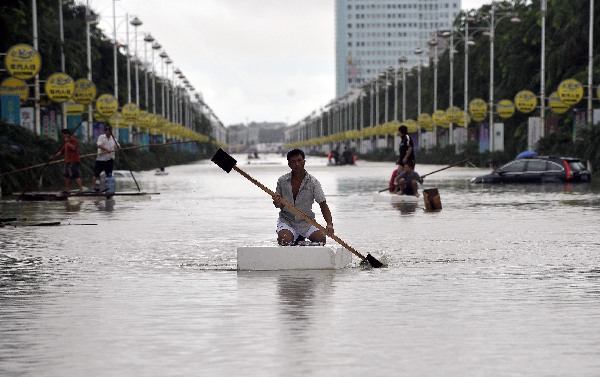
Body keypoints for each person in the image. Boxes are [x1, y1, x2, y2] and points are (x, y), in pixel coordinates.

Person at [272, 149, 334, 246]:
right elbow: (278, 205)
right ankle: (295, 239)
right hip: (287, 221)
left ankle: (300, 241)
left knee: (321, 240)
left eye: (299, 161)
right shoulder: (282, 181)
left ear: (304, 162)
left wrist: (329, 224)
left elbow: (322, 203)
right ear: (289, 164)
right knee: (284, 240)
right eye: (293, 162)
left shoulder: (313, 182)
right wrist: (277, 201)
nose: (297, 164)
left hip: (306, 221)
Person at [54, 128, 84, 193]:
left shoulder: (73, 140)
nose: (63, 136)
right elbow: (61, 152)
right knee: (66, 175)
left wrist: (68, 142)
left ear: (67, 134)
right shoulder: (65, 142)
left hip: (74, 161)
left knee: (76, 175)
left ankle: (81, 189)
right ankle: (67, 189)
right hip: (68, 161)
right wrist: (53, 156)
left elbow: (74, 148)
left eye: (63, 135)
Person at [92, 126, 119, 190]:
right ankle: (94, 187)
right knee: (96, 173)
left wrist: (118, 147)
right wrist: (107, 150)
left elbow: (117, 146)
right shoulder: (101, 137)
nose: (109, 132)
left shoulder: (114, 139)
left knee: (109, 174)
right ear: (106, 131)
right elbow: (99, 145)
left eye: (110, 131)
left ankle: (109, 188)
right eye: (107, 131)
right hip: (101, 159)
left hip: (109, 159)